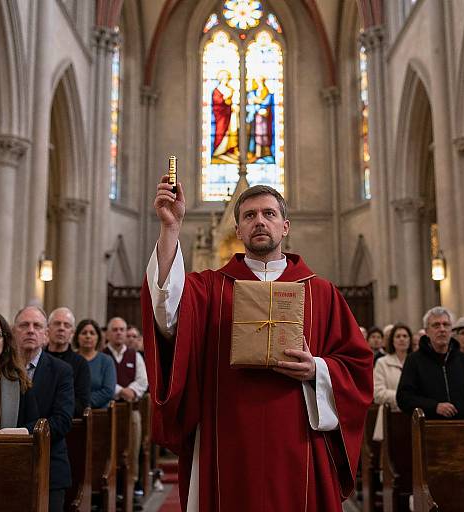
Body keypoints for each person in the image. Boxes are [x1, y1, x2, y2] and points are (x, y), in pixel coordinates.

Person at [141, 181, 373, 511]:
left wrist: (318, 369)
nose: (259, 221)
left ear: (285, 226)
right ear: (237, 229)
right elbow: (165, 307)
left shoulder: (321, 293)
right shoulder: (210, 289)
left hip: (298, 438)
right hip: (227, 435)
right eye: (249, 215)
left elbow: (358, 366)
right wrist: (171, 227)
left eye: (269, 213)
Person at [13, 306, 74, 512]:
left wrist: (19, 435)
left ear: (46, 334)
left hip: (48, 464)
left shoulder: (61, 371)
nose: (30, 330)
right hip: (5, 460)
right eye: (24, 325)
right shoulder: (3, 368)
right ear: (14, 332)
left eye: (37, 325)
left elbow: (62, 420)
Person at [396, 306, 464, 420]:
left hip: (462, 426)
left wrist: (458, 409)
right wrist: (434, 406)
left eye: (446, 325)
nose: (442, 329)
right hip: (428, 427)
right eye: (436, 325)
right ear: (426, 331)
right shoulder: (414, 360)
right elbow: (404, 398)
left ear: (451, 330)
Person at [104, 317, 148, 493]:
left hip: (131, 410)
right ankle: (110, 486)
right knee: (109, 449)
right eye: (114, 330)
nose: (119, 333)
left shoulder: (134, 356)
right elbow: (102, 382)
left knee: (132, 447)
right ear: (107, 334)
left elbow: (143, 381)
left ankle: (132, 484)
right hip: (107, 411)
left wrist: (131, 391)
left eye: (122, 329)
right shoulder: (102, 355)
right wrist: (120, 391)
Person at [0, 312, 38, 431]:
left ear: (5, 341)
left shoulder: (19, 380)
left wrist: (8, 434)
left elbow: (33, 424)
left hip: (7, 447)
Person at [46, 307, 91, 417]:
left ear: (72, 332)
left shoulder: (80, 363)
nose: (61, 328)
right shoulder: (38, 358)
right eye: (57, 324)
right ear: (48, 328)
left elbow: (82, 403)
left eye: (67, 325)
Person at [372, 323, 412, 440]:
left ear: (410, 340)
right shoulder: (382, 362)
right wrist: (405, 398)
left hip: (412, 416)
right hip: (390, 416)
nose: (402, 339)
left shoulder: (416, 361)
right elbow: (378, 394)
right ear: (392, 341)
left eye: (405, 336)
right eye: (398, 336)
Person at [73, 319, 116, 409]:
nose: (88, 336)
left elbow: (108, 391)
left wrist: (84, 403)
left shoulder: (106, 361)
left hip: (99, 413)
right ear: (77, 337)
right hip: (72, 411)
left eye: (92, 333)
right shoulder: (70, 359)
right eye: (84, 333)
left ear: (98, 338)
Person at [211, 69, 239, 164]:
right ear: (221, 79)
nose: (227, 80)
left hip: (229, 114)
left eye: (228, 78)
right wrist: (224, 99)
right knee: (221, 131)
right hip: (221, 115)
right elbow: (217, 102)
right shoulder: (217, 90)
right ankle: (219, 151)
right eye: (225, 78)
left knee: (230, 132)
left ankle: (228, 150)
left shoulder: (230, 88)